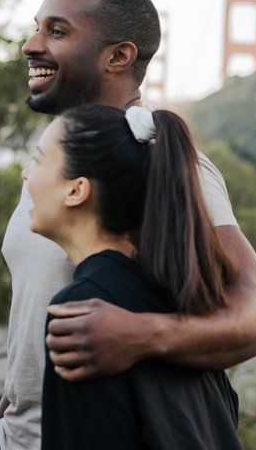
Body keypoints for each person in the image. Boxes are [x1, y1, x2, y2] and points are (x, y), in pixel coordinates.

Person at [0, 0, 256, 450]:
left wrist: (142, 335)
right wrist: (8, 412)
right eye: (37, 28)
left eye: (57, 31)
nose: (31, 45)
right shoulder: (59, 161)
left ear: (119, 56)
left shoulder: (163, 165)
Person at [28, 103, 243, 448]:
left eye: (38, 160)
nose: (26, 175)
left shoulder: (82, 313)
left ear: (76, 190)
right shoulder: (179, 297)